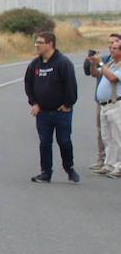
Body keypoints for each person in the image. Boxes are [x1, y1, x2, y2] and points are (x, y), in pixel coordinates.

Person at [24, 30, 79, 184]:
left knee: (64, 141)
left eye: (40, 43)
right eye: (36, 42)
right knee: (45, 142)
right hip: (43, 112)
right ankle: (46, 172)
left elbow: (71, 86)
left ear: (50, 44)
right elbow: (28, 83)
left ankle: (69, 168)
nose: (37, 46)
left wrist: (68, 104)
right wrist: (34, 103)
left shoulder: (63, 63)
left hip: (61, 112)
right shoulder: (35, 64)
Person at [82, 33, 121, 172]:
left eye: (115, 48)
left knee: (118, 137)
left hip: (116, 103)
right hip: (104, 104)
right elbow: (95, 74)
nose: (111, 49)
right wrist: (93, 63)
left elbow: (112, 78)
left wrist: (100, 62)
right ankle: (109, 164)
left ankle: (119, 165)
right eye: (111, 47)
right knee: (107, 137)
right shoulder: (110, 63)